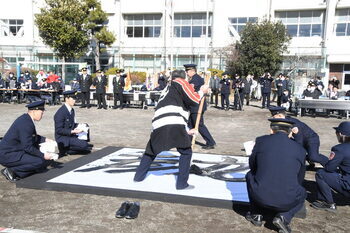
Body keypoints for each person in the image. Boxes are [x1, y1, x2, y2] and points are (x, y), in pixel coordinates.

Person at [134, 70, 209, 190]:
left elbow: (178, 106)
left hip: (159, 123)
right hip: (173, 120)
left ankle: (138, 177)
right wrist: (202, 92)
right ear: (183, 78)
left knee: (151, 151)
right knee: (186, 151)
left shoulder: (166, 90)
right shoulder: (180, 82)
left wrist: (187, 130)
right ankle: (182, 184)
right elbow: (194, 99)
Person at [245, 118, 306, 233]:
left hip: (260, 196)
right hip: (287, 200)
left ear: (272, 130)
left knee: (249, 175)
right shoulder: (300, 149)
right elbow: (300, 177)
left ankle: (256, 214)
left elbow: (252, 164)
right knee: (302, 192)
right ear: (290, 132)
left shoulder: (261, 141)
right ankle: (284, 217)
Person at [0, 101, 56, 182]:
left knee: (45, 162)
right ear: (34, 111)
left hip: (14, 151)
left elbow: (32, 137)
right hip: (8, 155)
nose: (42, 113)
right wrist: (43, 155)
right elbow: (27, 147)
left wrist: (45, 139)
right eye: (41, 112)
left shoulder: (26, 119)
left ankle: (28, 170)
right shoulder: (26, 123)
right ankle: (12, 171)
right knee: (39, 162)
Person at [311, 121, 350, 212]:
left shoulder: (339, 149)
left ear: (341, 134)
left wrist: (320, 159)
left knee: (321, 174)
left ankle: (329, 204)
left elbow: (329, 168)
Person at [183, 64, 216, 149]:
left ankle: (211, 142)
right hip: (194, 106)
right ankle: (187, 141)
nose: (186, 73)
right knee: (190, 124)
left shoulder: (196, 80)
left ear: (192, 71)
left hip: (197, 106)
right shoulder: (194, 79)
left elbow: (191, 91)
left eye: (187, 71)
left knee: (199, 125)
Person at [54, 90, 93, 156]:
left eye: (75, 98)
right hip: (63, 138)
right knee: (84, 146)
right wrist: (73, 131)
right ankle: (65, 150)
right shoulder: (60, 113)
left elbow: (71, 124)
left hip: (70, 135)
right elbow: (59, 130)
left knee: (86, 126)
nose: (74, 100)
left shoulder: (71, 110)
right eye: (73, 98)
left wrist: (80, 126)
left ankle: (75, 146)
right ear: (66, 99)